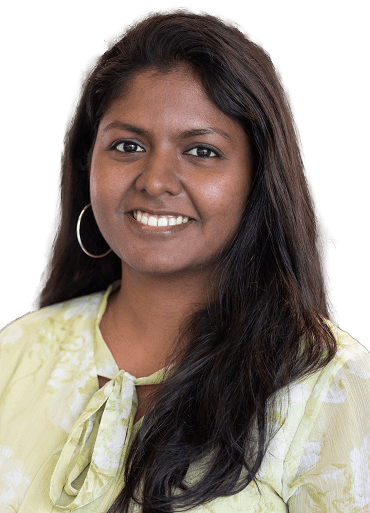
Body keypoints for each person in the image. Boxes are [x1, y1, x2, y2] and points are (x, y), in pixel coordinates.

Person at [0, 8, 369, 513]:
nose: (155, 180)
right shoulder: (14, 355)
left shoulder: (327, 382)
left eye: (201, 151)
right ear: (89, 162)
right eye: (127, 146)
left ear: (257, 180)